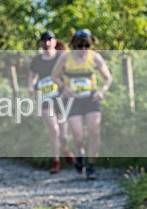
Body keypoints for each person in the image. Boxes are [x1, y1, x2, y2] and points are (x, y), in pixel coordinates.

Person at [51, 29, 112, 180]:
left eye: (87, 45)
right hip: (72, 100)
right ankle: (80, 153)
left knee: (94, 131)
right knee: (78, 136)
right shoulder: (65, 58)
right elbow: (54, 76)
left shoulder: (95, 58)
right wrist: (64, 87)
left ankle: (91, 166)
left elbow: (107, 78)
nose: (83, 49)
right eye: (80, 45)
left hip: (90, 98)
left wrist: (102, 91)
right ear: (73, 45)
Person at [28, 30, 74, 174]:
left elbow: (69, 73)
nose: (47, 43)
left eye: (50, 40)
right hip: (45, 98)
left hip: (61, 98)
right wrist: (31, 86)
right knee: (53, 130)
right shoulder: (37, 60)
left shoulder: (62, 57)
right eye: (44, 40)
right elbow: (32, 77)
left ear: (54, 41)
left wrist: (68, 87)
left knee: (63, 134)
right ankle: (56, 162)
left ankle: (66, 150)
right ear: (41, 43)